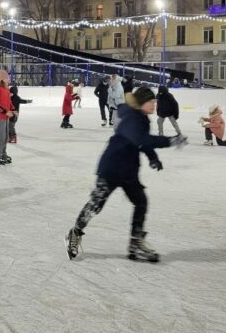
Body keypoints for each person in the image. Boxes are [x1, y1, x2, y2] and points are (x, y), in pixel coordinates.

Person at [65, 87, 188, 262]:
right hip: (112, 168)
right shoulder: (131, 118)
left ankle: (135, 243)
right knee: (96, 204)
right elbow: (142, 140)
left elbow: (142, 142)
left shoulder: (141, 119)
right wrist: (170, 140)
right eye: (151, 102)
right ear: (141, 103)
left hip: (128, 170)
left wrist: (153, 157)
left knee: (141, 202)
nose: (155, 105)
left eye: (155, 102)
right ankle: (75, 233)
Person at [0, 70, 14, 164]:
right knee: (0, 137)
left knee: (5, 137)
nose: (9, 79)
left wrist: (13, 109)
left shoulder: (6, 88)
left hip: (5, 117)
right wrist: (5, 112)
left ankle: (3, 154)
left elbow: (9, 101)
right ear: (3, 78)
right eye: (7, 77)